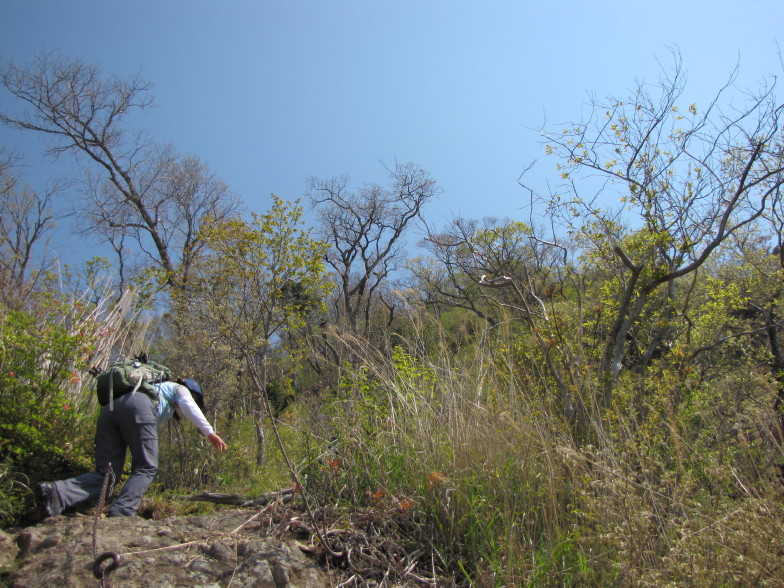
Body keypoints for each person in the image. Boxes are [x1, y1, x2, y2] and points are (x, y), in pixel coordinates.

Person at [37, 378, 227, 518]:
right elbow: (188, 405)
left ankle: (57, 492)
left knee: (107, 474)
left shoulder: (155, 390)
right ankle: (122, 512)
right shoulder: (178, 389)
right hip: (138, 407)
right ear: (191, 391)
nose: (192, 400)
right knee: (147, 467)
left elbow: (145, 435)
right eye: (195, 397)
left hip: (109, 410)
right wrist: (209, 432)